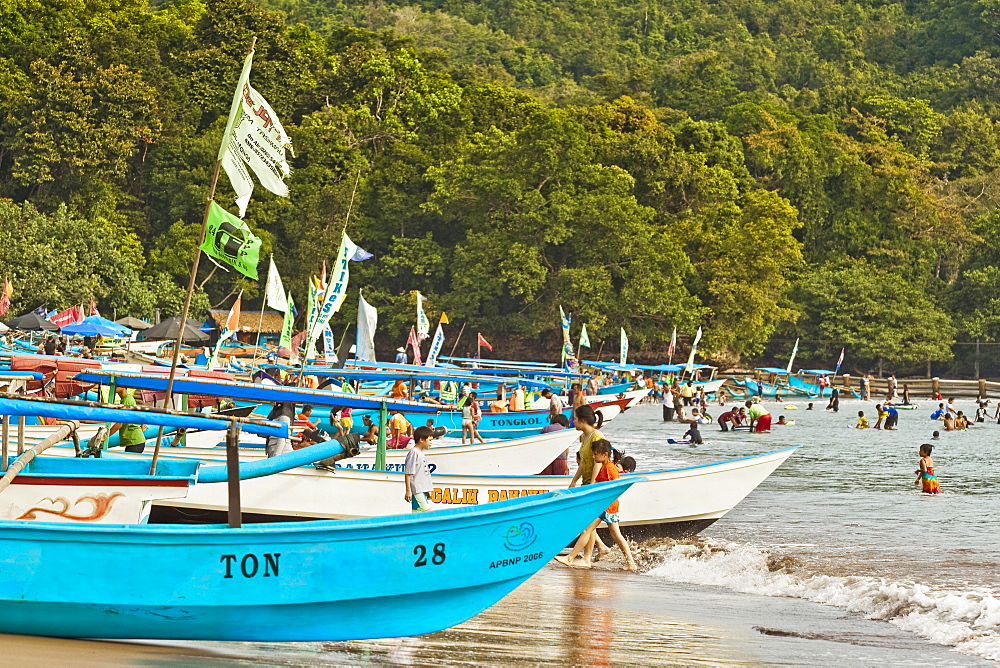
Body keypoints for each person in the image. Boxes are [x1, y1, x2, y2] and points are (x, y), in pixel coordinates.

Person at [554, 439, 638, 571]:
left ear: (604, 454)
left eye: (596, 454)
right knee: (615, 535)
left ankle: (570, 558)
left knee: (588, 529)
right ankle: (630, 563)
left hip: (607, 507)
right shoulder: (605, 467)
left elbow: (614, 488)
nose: (594, 456)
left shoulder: (610, 469)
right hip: (605, 506)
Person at [569, 404, 604, 489]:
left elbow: (598, 463)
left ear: (583, 421)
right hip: (585, 482)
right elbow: (583, 463)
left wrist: (592, 485)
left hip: (596, 484)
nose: (574, 421)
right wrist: (574, 481)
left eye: (575, 419)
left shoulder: (596, 436)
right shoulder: (584, 436)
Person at [404, 426, 435, 511]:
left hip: (421, 490)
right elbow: (408, 473)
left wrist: (426, 491)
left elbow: (421, 475)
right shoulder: (414, 453)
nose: (431, 443)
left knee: (417, 512)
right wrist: (408, 491)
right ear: (421, 440)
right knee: (427, 512)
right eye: (430, 440)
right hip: (417, 490)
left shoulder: (420, 453)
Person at [108, 387, 147, 453]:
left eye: (118, 386)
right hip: (133, 441)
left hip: (134, 440)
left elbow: (119, 424)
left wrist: (106, 435)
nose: (115, 387)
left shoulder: (127, 400)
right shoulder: (127, 399)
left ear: (123, 387)